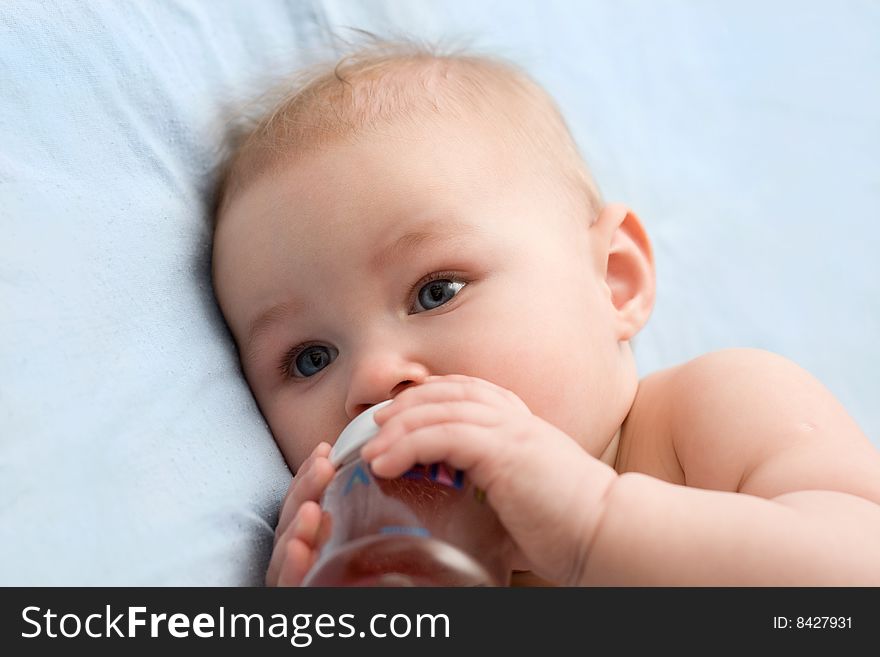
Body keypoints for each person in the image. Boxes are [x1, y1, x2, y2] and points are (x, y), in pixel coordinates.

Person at [210, 37, 880, 586]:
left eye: (436, 290)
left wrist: (594, 522)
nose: (373, 379)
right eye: (310, 358)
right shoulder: (415, 572)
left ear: (615, 281)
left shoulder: (709, 416)